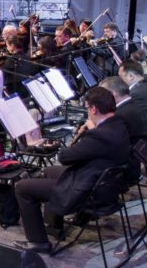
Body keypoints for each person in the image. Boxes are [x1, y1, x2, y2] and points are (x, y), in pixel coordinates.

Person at [13, 87, 130, 253]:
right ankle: (54, 226)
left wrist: (85, 133)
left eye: (87, 108)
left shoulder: (99, 135)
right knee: (49, 171)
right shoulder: (119, 124)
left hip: (89, 190)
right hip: (106, 184)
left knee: (22, 187)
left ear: (93, 109)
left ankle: (38, 242)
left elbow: (65, 157)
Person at [99, 77, 147, 181]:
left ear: (113, 94)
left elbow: (104, 141)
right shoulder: (135, 105)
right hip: (134, 162)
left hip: (122, 168)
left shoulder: (120, 114)